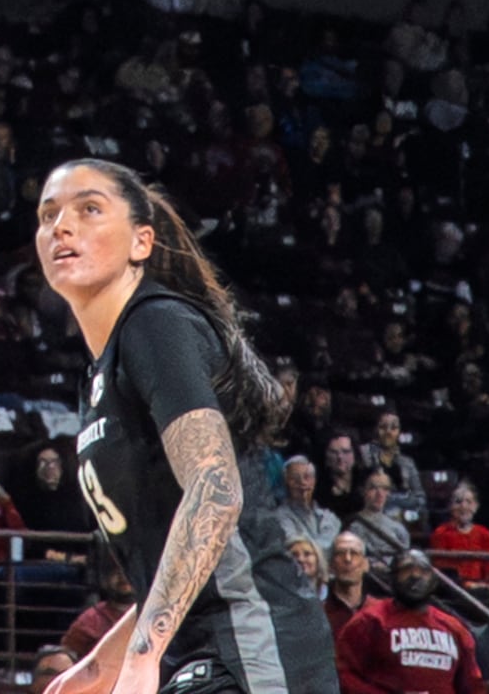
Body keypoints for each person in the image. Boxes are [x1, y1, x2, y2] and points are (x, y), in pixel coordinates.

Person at [31, 158, 333, 694]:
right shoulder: (103, 370)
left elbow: (215, 490)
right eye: (47, 215)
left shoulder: (156, 322)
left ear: (141, 242)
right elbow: (168, 568)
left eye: (89, 209)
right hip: (196, 646)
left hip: (251, 634)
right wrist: (101, 666)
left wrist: (145, 653)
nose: (62, 226)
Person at [336, 552, 481, 694]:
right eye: (407, 570)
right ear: (392, 578)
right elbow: (342, 673)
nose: (415, 576)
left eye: (423, 571)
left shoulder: (453, 628)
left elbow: (472, 684)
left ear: (434, 581)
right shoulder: (369, 621)